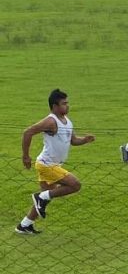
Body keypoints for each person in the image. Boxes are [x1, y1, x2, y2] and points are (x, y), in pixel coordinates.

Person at [15, 89, 95, 235]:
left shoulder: (68, 121)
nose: (67, 106)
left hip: (53, 165)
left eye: (67, 103)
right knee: (75, 185)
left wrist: (84, 140)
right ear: (55, 106)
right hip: (46, 165)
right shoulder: (51, 121)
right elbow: (28, 132)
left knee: (44, 198)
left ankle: (25, 225)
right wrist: (25, 156)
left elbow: (73, 141)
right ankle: (41, 198)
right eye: (64, 104)